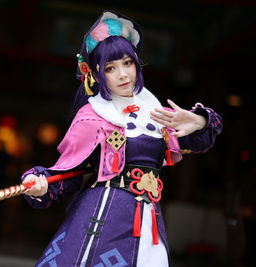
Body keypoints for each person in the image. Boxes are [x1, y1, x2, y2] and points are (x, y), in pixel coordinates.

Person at [21, 10, 222, 267]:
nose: (123, 74)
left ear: (137, 62)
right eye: (111, 68)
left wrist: (200, 121)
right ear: (96, 73)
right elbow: (69, 173)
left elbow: (201, 140)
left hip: (147, 219)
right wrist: (42, 184)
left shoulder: (156, 111)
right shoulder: (93, 114)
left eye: (127, 63)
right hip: (101, 220)